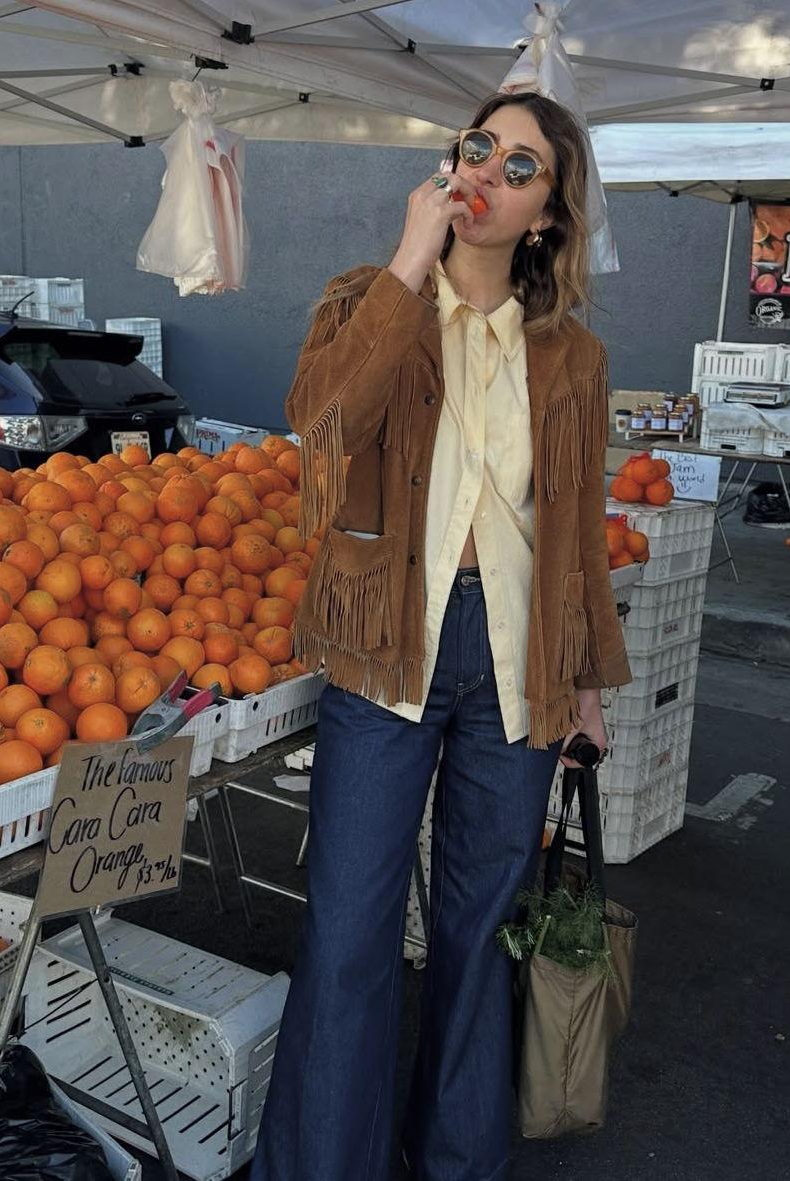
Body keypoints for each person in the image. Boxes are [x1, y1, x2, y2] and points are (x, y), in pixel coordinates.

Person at [250, 92, 630, 1181]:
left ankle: (459, 1158)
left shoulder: (576, 359)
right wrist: (407, 262)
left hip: (516, 666)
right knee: (350, 933)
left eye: (521, 169)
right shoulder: (370, 302)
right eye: (480, 151)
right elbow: (319, 425)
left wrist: (589, 683)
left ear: (549, 216)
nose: (489, 177)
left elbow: (580, 536)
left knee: (480, 934)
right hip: (387, 652)